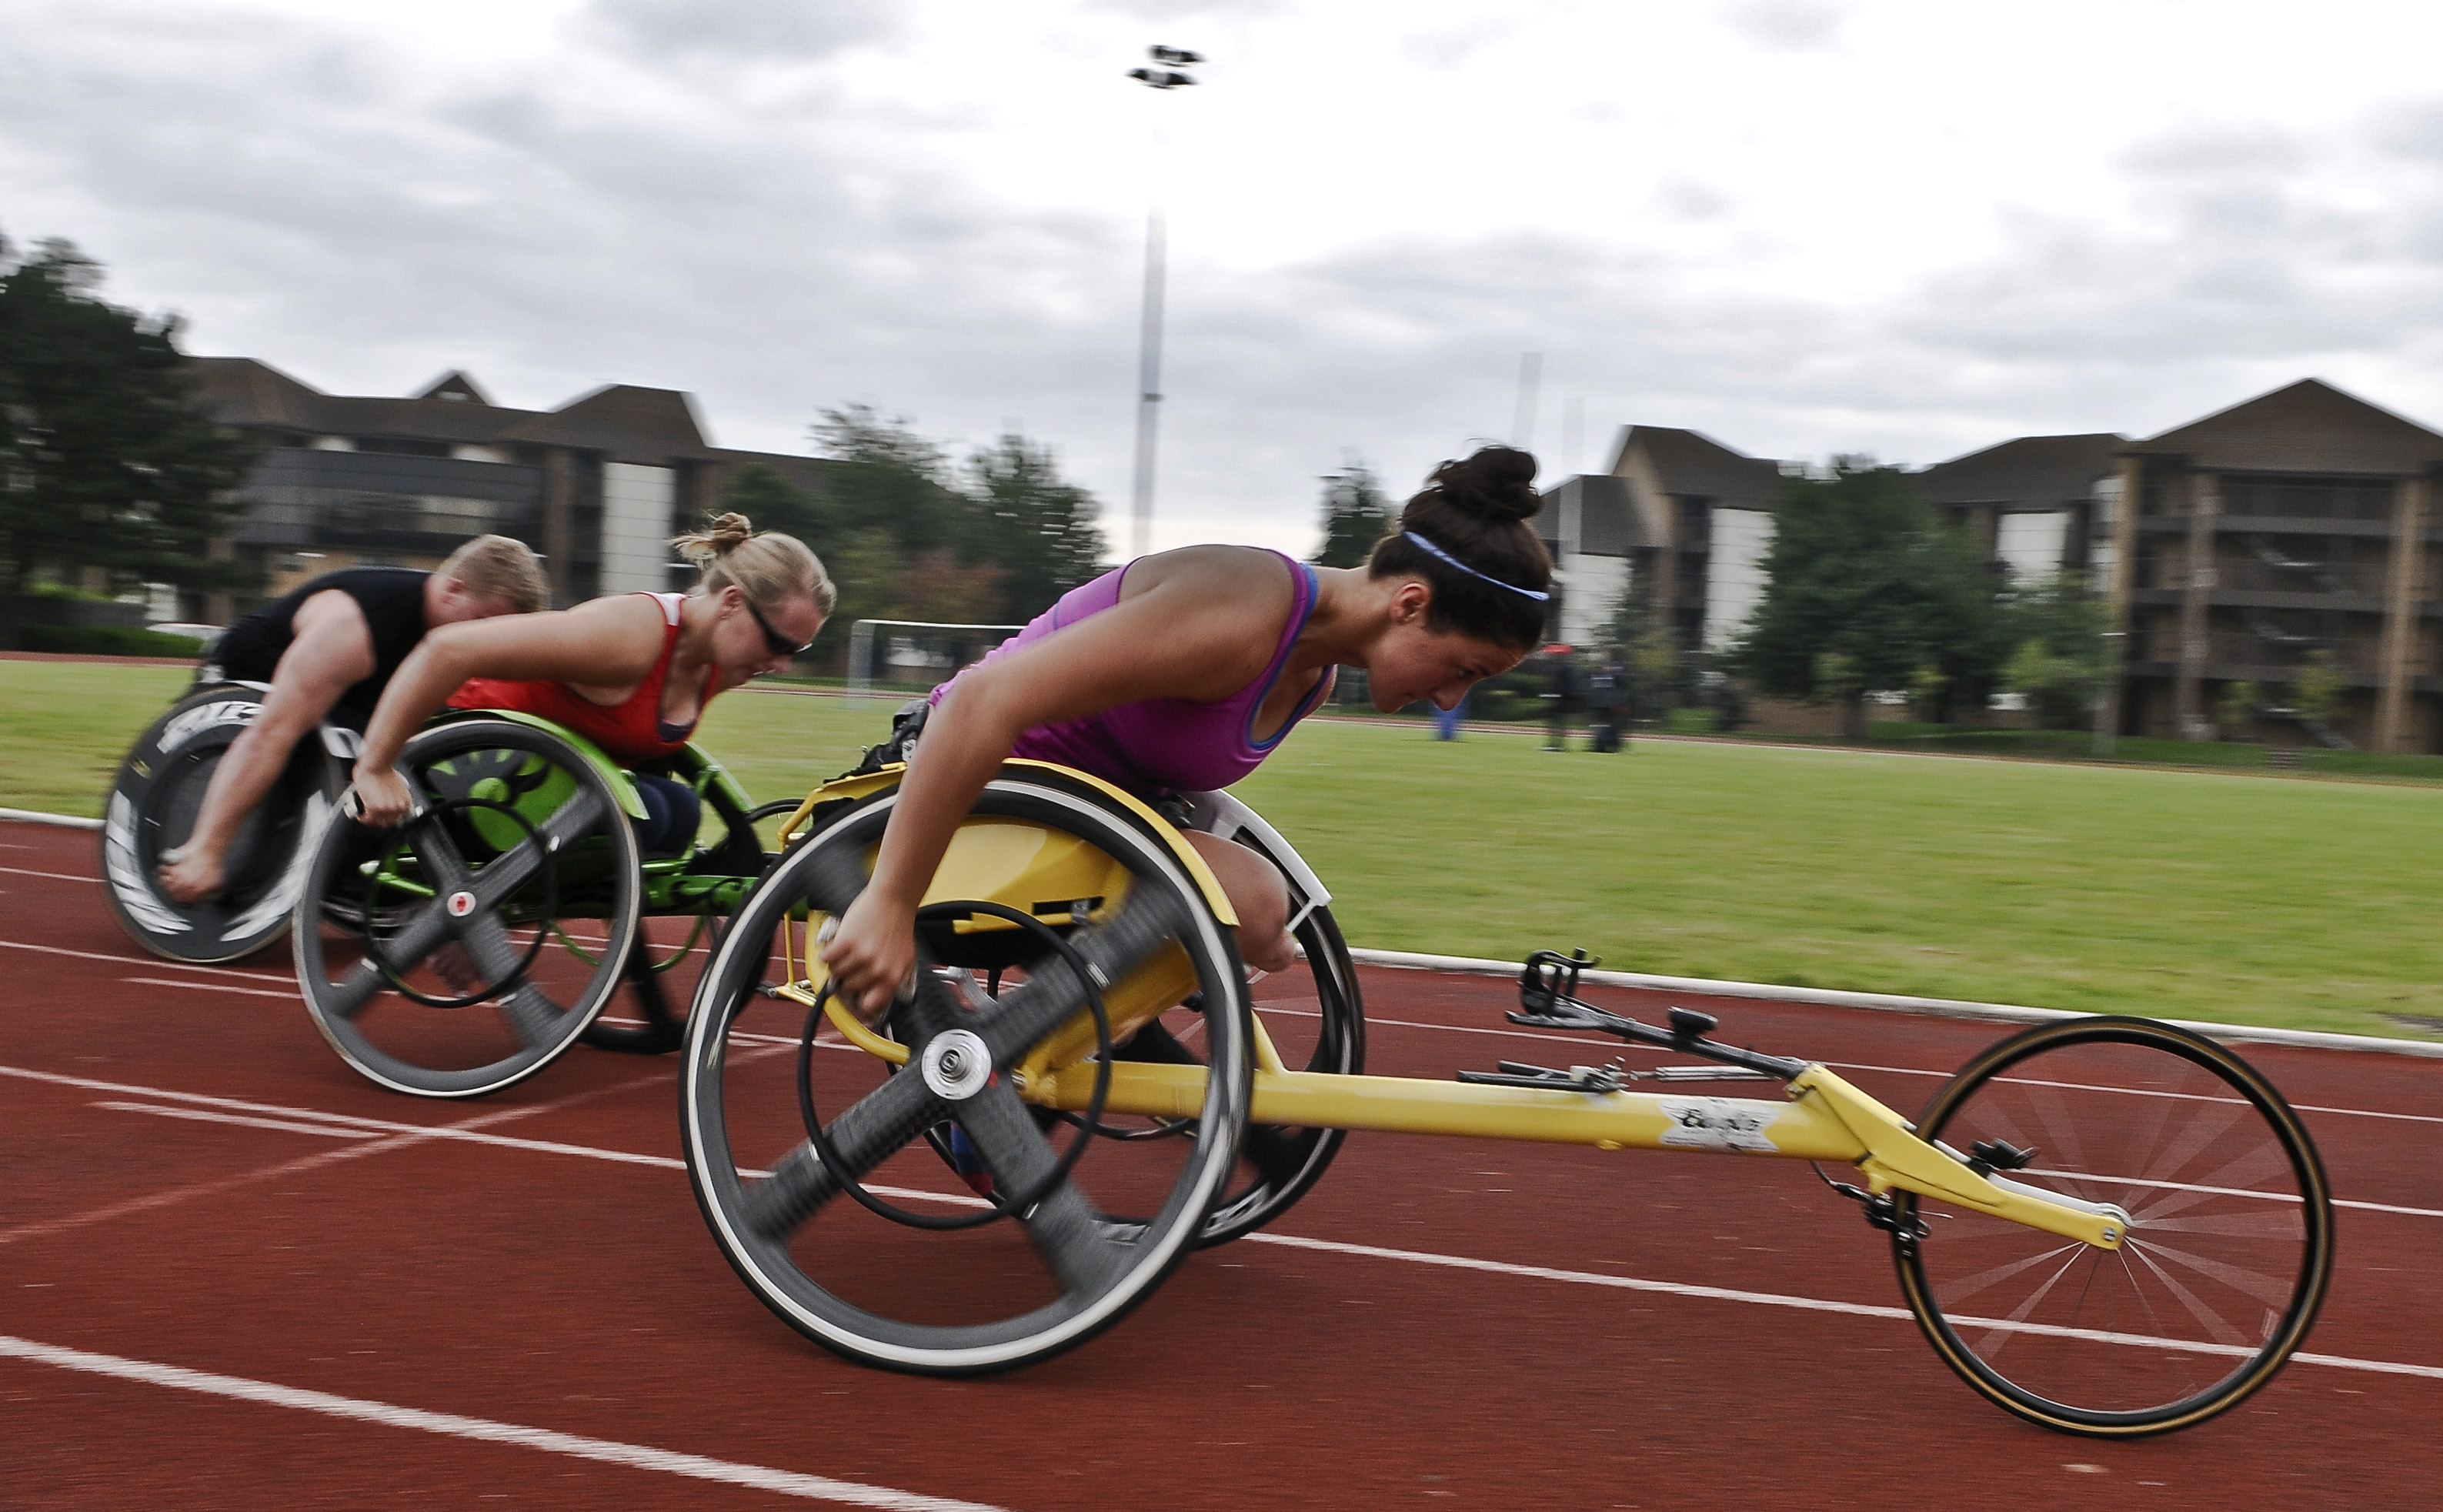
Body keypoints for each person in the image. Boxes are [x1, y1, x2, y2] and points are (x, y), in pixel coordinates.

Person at [821, 445, 1554, 1019]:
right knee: (1251, 900)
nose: (1452, 696)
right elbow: (979, 702)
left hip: (1063, 826)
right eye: (1465, 668)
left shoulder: (1312, 673)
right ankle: (1003, 1068)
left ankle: (1035, 1058)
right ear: (1410, 603)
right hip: (947, 794)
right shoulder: (1241, 615)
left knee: (1259, 915)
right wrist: (888, 900)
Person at [345, 513, 833, 855]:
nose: (783, 664)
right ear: (731, 602)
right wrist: (376, 767)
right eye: (779, 644)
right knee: (651, 815)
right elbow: (447, 649)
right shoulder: (628, 636)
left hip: (542, 784)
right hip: (464, 773)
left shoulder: (722, 661)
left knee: (680, 811)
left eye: (798, 651)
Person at [159, 536, 549, 903]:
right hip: (254, 681)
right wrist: (206, 852)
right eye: (482, 622)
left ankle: (369, 873)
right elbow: (269, 734)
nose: (487, 643)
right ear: (453, 591)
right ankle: (203, 847)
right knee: (332, 747)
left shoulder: (451, 633)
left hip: (352, 700)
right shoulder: (352, 627)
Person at [1541, 643, 1577, 752]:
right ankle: (1554, 743)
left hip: (1562, 698)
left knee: (1559, 722)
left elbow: (1567, 685)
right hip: (1558, 697)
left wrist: (1562, 694)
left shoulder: (1564, 668)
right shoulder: (1561, 668)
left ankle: (1557, 745)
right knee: (1556, 722)